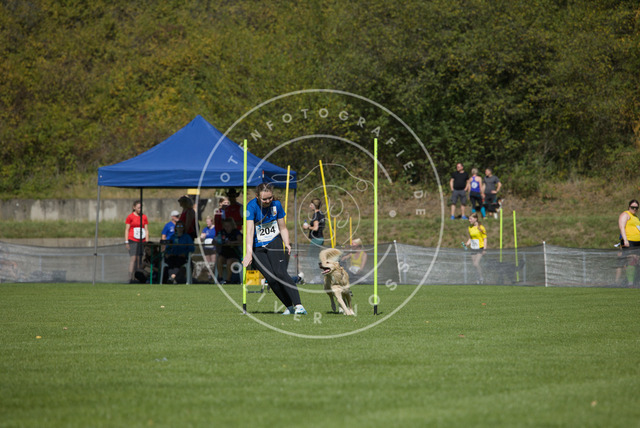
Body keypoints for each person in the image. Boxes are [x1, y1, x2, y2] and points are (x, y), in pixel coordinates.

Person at [242, 183, 307, 315]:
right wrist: (249, 253)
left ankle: (299, 306)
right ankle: (289, 307)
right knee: (270, 279)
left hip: (274, 241)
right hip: (257, 246)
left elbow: (282, 227)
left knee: (280, 273)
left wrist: (287, 243)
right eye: (264, 199)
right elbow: (249, 231)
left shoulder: (276, 205)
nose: (267, 201)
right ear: (257, 197)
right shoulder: (251, 206)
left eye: (270, 198)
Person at [124, 200, 149, 283]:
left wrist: (147, 241)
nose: (140, 209)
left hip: (142, 240)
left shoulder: (144, 217)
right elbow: (127, 229)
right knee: (133, 258)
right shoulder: (130, 217)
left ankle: (138, 276)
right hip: (132, 239)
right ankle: (130, 277)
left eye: (141, 208)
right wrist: (126, 241)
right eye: (138, 208)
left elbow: (146, 229)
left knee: (139, 258)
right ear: (134, 207)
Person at [618, 200, 640, 286]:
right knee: (631, 261)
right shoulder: (625, 214)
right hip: (629, 241)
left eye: (636, 208)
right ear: (629, 207)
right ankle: (630, 283)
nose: (634, 209)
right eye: (632, 207)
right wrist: (625, 240)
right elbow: (622, 227)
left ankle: (635, 281)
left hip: (637, 242)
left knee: (637, 261)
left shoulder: (636, 217)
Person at [216, 218, 243, 284]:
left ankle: (228, 280)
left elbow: (241, 241)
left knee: (229, 261)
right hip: (224, 253)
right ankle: (220, 278)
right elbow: (215, 240)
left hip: (234, 254)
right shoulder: (222, 232)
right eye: (225, 226)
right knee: (219, 259)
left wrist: (232, 243)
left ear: (232, 225)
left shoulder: (236, 232)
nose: (226, 228)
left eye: (228, 226)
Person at [303, 198, 325, 269]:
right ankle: (317, 272)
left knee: (311, 257)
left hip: (316, 239)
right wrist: (309, 225)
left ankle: (316, 273)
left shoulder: (315, 215)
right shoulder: (321, 214)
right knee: (316, 256)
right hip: (320, 238)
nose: (309, 206)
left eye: (311, 205)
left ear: (314, 206)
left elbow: (315, 228)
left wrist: (308, 227)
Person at [465, 213, 487, 284]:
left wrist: (484, 249)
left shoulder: (481, 227)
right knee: (474, 265)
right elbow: (471, 238)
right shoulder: (470, 227)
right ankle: (477, 279)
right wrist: (467, 244)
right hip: (473, 248)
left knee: (476, 263)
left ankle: (481, 277)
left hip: (480, 248)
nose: (469, 220)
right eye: (469, 218)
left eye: (470, 219)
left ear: (475, 219)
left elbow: (485, 239)